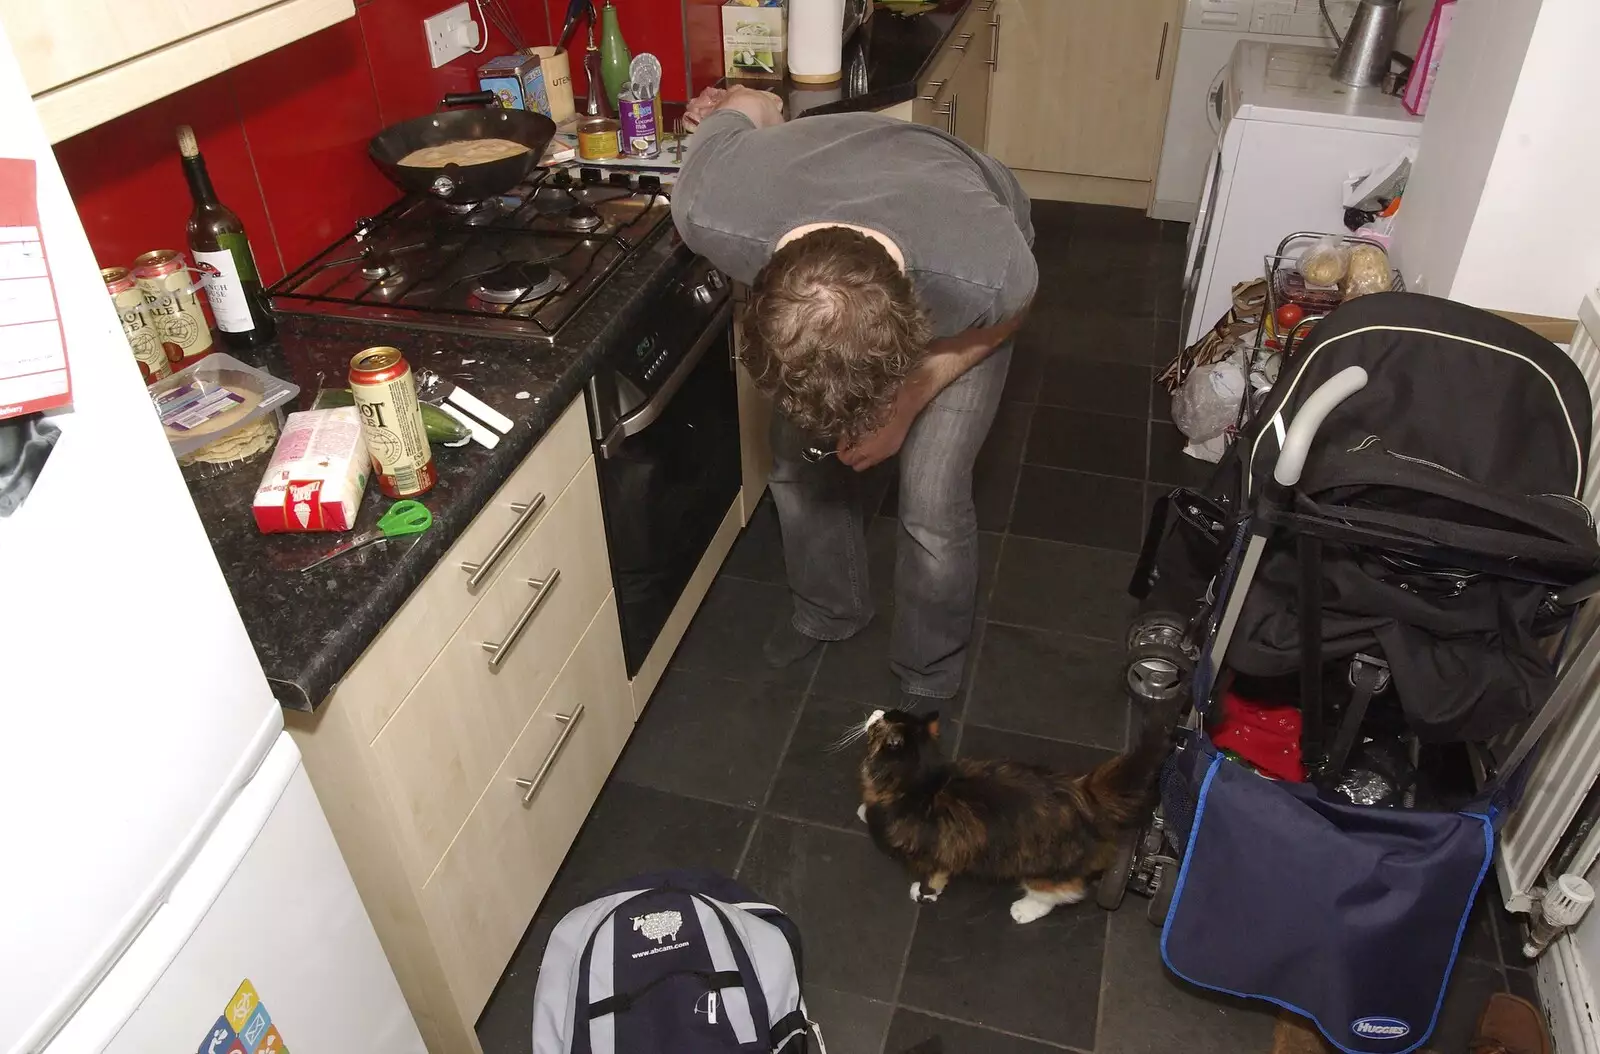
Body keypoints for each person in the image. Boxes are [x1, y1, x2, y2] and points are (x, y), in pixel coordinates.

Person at [672, 85, 1037, 703]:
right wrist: (745, 100)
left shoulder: (985, 267)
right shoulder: (708, 200)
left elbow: (1008, 316)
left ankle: (929, 668)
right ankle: (828, 610)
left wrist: (907, 404)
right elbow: (752, 103)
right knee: (792, 459)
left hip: (959, 226)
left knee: (932, 497)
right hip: (836, 214)